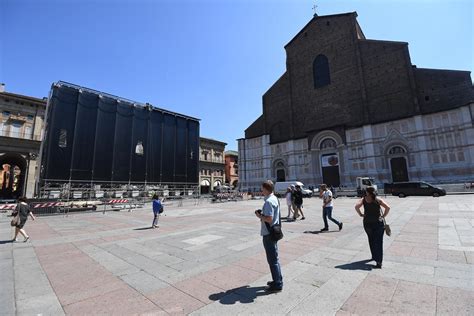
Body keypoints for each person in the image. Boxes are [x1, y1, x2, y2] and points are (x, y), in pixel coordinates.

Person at [255, 180, 283, 293]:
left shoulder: (268, 202)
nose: (261, 191)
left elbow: (269, 218)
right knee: (274, 258)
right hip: (274, 230)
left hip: (268, 232)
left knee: (272, 260)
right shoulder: (275, 198)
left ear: (266, 189)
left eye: (262, 189)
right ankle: (277, 279)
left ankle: (277, 284)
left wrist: (259, 215)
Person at [355, 186, 390, 269]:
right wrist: (383, 215)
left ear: (367, 192)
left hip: (367, 223)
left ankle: (374, 256)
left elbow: (356, 207)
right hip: (378, 223)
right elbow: (388, 207)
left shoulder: (364, 199)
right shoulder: (378, 200)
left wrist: (360, 214)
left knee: (371, 239)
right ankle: (379, 262)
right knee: (379, 242)